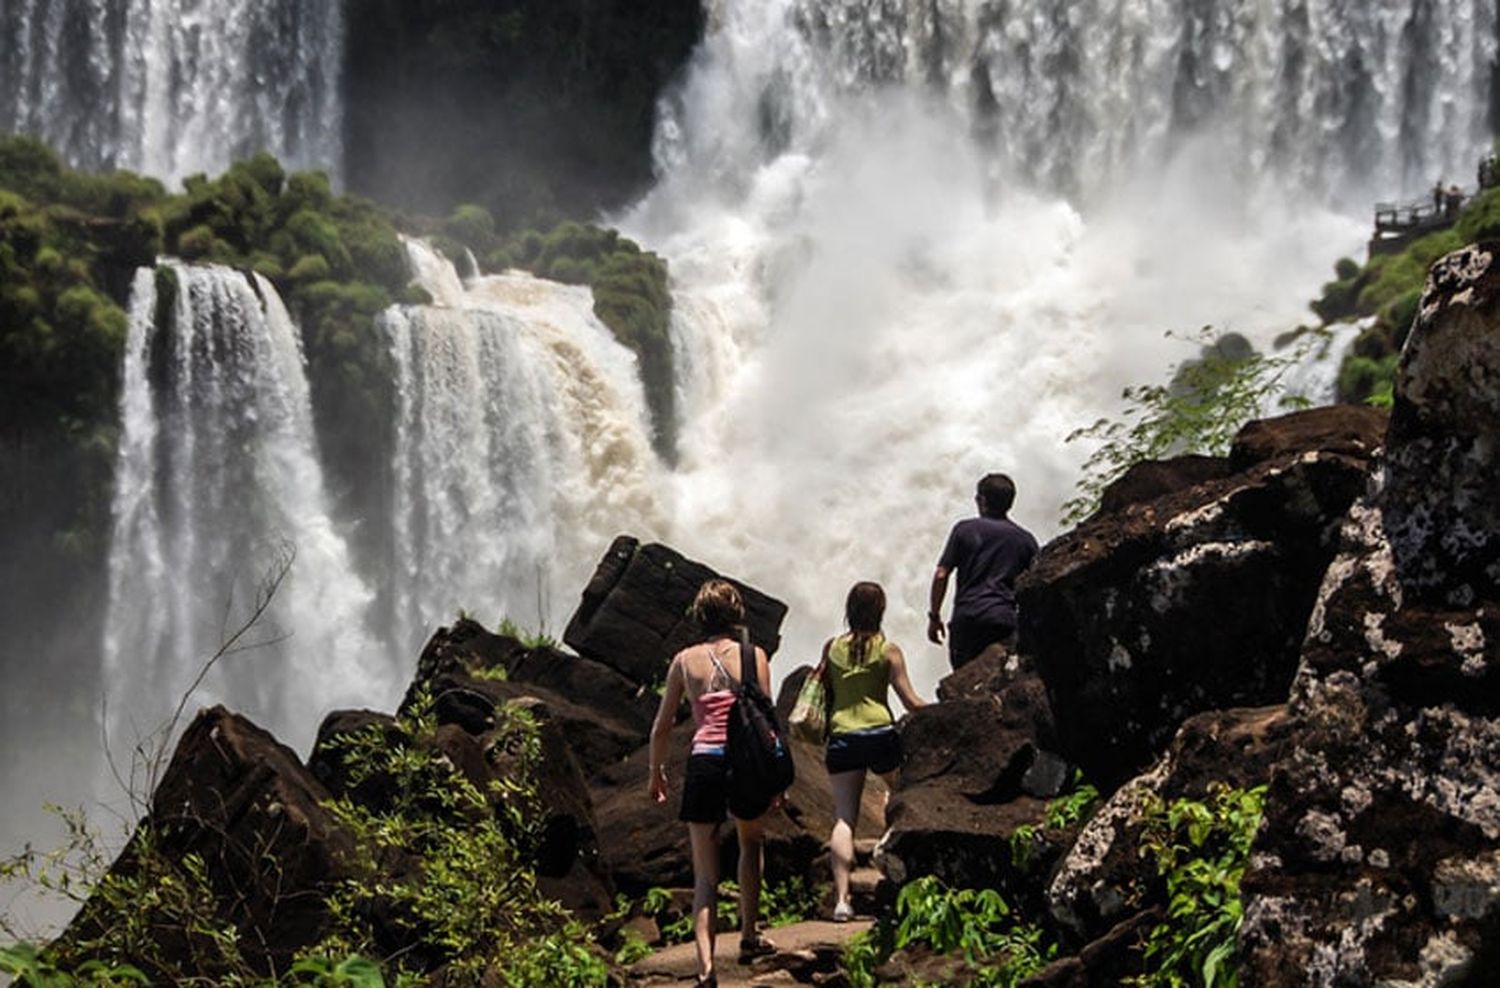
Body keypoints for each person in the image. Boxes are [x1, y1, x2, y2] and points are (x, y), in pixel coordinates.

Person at [648, 579, 776, 987]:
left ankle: (705, 967)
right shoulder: (754, 655)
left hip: (704, 761)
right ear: (736, 614)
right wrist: (776, 775)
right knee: (750, 843)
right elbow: (767, 718)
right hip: (745, 761)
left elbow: (662, 726)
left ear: (699, 617)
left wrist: (656, 772)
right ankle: (750, 935)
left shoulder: (684, 661)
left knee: (705, 875)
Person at [822, 581, 926, 921]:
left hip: (842, 736)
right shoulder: (888, 650)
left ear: (848, 610)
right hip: (880, 733)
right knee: (901, 798)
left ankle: (841, 900)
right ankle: (895, 872)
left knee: (844, 817)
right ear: (880, 611)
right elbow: (909, 701)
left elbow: (826, 695)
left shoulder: (831, 648)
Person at [927, 473, 1039, 670]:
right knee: (997, 682)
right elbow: (1034, 586)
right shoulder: (1026, 540)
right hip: (1003, 620)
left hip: (967, 619)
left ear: (982, 500)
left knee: (963, 685)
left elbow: (941, 574)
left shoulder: (964, 530)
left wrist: (934, 617)